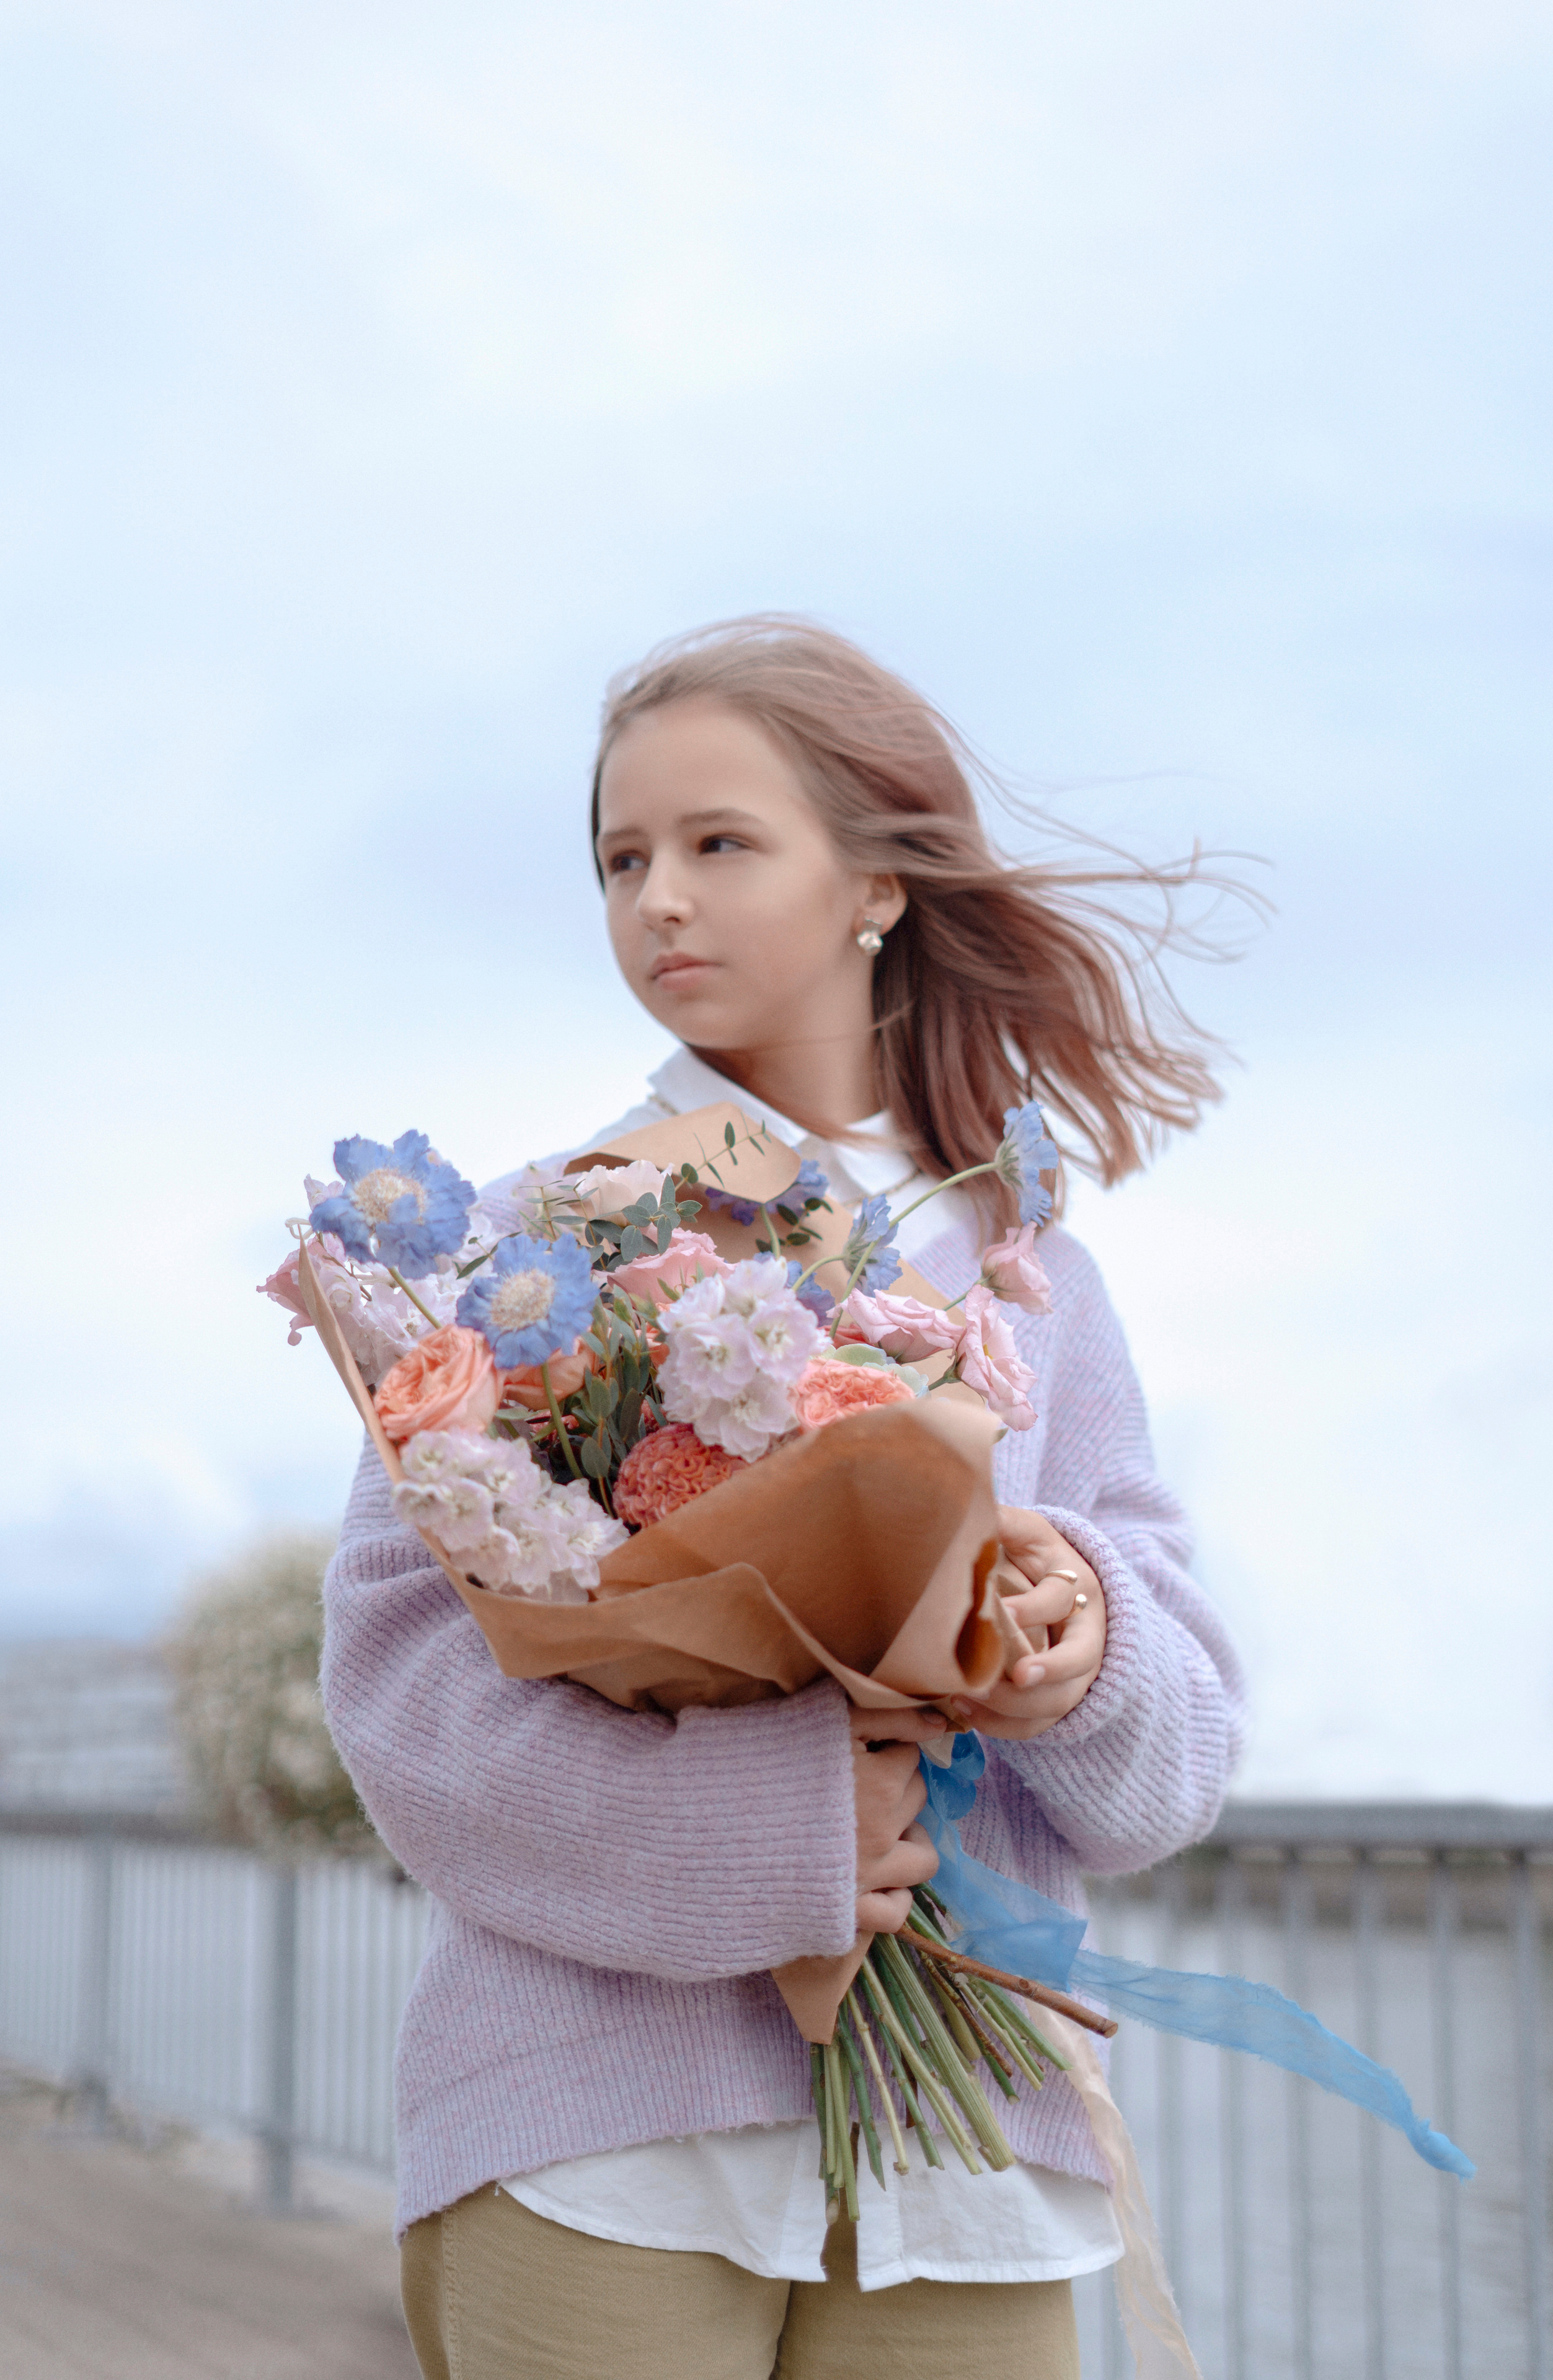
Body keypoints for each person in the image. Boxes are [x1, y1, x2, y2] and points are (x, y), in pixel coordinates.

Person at [321, 617, 1247, 2380]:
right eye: (619, 858)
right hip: (598, 2131)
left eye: (717, 843)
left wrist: (1079, 1645)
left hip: (968, 2128)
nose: (657, 899)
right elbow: (405, 1696)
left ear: (877, 881)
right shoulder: (531, 1246)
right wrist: (778, 1837)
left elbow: (1172, 1762)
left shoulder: (1037, 1275)